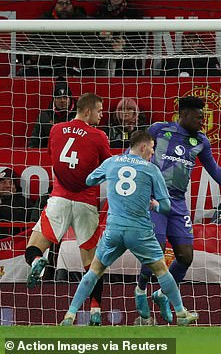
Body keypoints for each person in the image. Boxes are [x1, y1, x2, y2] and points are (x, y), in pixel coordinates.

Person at [134, 95, 221, 325]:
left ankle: (162, 294)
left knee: (185, 256)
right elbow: (135, 153)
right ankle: (140, 289)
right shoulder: (159, 129)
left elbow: (214, 170)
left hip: (177, 202)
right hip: (154, 198)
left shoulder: (201, 141)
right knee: (156, 249)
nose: (201, 122)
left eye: (203, 118)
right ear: (183, 115)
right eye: (198, 117)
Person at [60, 130, 198, 326]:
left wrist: (107, 178)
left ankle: (70, 315)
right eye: (151, 150)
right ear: (142, 147)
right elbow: (166, 207)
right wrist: (155, 205)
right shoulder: (151, 169)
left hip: (114, 230)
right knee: (161, 270)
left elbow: (89, 180)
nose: (152, 154)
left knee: (95, 270)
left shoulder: (112, 162)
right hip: (139, 231)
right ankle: (182, 314)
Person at [24, 93, 111, 326]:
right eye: (99, 111)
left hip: (59, 199)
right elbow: (107, 167)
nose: (102, 116)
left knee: (33, 247)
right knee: (92, 264)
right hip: (85, 203)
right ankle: (95, 311)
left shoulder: (55, 130)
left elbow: (56, 160)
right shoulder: (99, 136)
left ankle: (36, 263)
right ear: (87, 111)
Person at [94, 0, 145, 76]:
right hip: (104, 60)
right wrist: (109, 46)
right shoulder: (100, 12)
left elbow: (141, 42)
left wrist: (124, 46)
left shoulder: (134, 12)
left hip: (128, 62)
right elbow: (93, 41)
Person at [29, 78, 77, 148]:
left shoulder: (79, 115)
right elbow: (34, 143)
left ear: (70, 98)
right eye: (59, 98)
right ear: (54, 99)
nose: (62, 101)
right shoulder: (45, 117)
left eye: (65, 97)